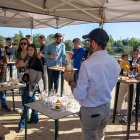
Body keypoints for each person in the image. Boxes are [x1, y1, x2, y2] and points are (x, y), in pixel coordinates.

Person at [63, 28, 121, 140]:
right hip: (106, 107)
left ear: (93, 43)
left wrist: (70, 81)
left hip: (91, 110)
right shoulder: (115, 63)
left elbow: (80, 96)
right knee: (101, 137)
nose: (88, 44)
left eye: (88, 41)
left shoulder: (87, 65)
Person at [18, 44, 43, 133]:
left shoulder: (37, 60)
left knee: (26, 104)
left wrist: (30, 71)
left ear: (35, 50)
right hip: (28, 84)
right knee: (32, 101)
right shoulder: (31, 59)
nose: (29, 51)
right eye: (28, 50)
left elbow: (41, 73)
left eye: (31, 50)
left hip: (32, 86)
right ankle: (35, 118)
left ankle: (21, 124)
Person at [15, 38, 30, 113]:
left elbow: (31, 64)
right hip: (20, 73)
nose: (23, 45)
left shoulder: (30, 52)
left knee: (28, 91)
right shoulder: (18, 53)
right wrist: (19, 64)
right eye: (21, 43)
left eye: (24, 43)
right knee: (23, 91)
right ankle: (23, 106)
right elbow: (16, 66)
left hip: (28, 73)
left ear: (27, 44)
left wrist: (24, 64)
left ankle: (28, 107)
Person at [0, 44, 11, 112]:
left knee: (2, 88)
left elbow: (4, 58)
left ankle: (3, 104)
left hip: (1, 71)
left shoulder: (1, 46)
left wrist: (5, 64)